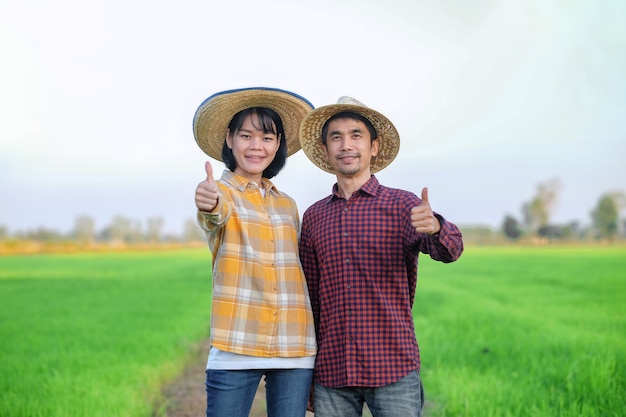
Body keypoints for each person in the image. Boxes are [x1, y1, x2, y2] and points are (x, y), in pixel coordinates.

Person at [297, 96, 464, 417]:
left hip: (393, 367)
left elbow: (451, 250)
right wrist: (309, 372)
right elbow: (311, 299)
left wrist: (436, 227)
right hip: (332, 371)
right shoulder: (314, 216)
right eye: (336, 137)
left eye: (356, 135)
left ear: (373, 147)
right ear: (327, 149)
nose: (346, 145)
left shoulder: (402, 205)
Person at [192, 87, 317, 417]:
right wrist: (208, 201)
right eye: (246, 135)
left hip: (294, 347)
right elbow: (213, 213)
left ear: (278, 146)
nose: (256, 146)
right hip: (237, 343)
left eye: (266, 137)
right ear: (230, 139)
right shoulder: (221, 192)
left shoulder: (287, 204)